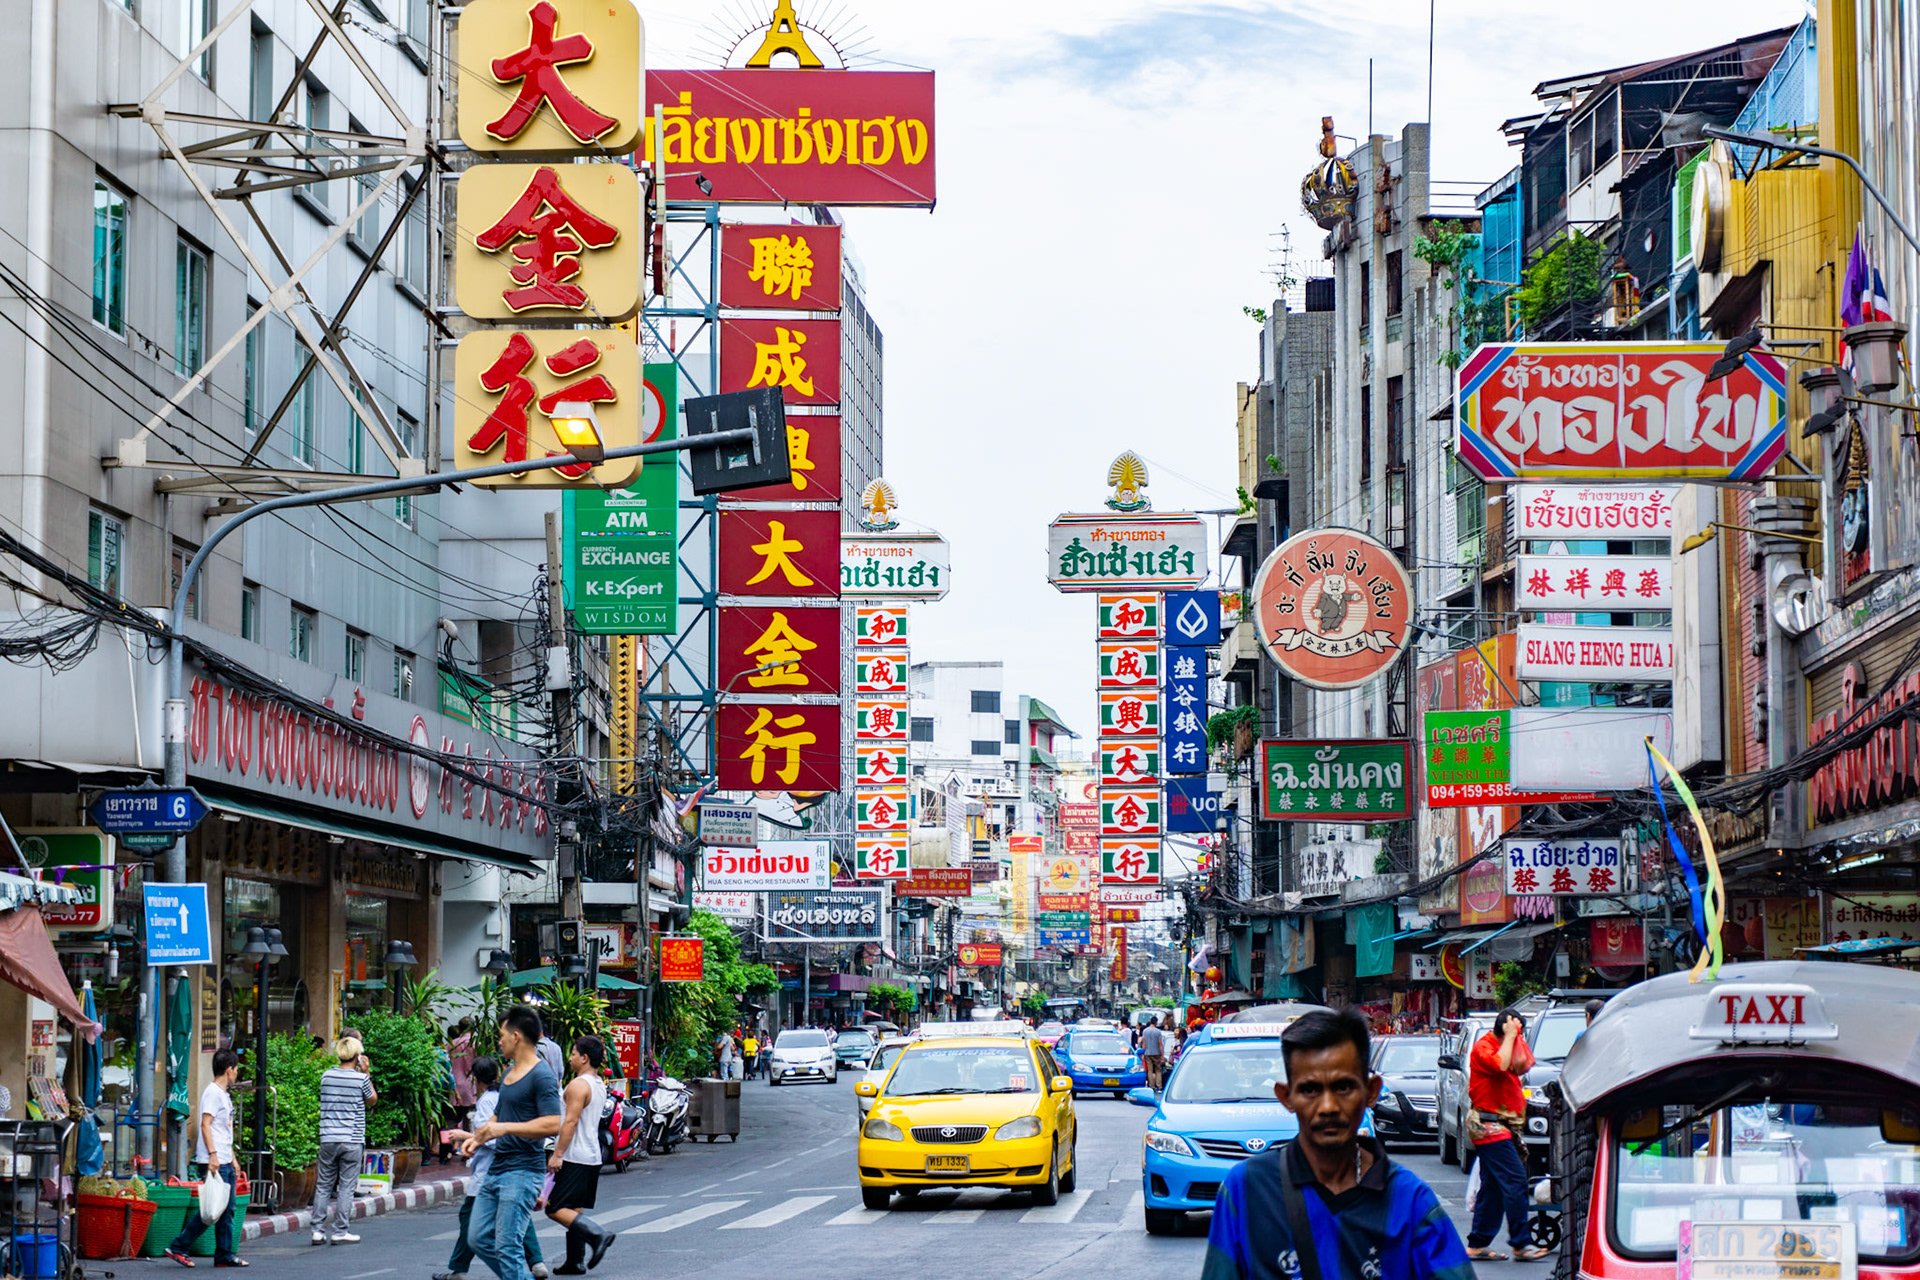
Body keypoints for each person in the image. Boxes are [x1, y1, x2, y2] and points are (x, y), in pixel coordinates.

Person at [1203, 1009, 1472, 1280]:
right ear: (1287, 1097)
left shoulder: (1409, 1200)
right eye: (1310, 1090)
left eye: (1343, 1088)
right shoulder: (1247, 1189)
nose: (1328, 1107)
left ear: (1371, 1092)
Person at [461, 1006, 563, 1280]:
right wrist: (478, 1136)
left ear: (516, 1036)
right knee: (479, 1238)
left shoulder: (542, 1076)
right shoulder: (508, 1073)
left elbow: (553, 1123)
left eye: (502, 1034)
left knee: (507, 1246)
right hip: (496, 1170)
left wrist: (502, 1128)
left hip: (522, 1173)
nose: (499, 1040)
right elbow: (501, 1113)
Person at [435, 1058, 549, 1280]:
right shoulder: (503, 1099)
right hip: (506, 1172)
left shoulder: (491, 1100)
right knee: (513, 1221)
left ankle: (461, 1269)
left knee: (474, 1222)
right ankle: (535, 1262)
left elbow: (497, 1137)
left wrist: (469, 1137)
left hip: (494, 1173)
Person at [1466, 1008, 1543, 1262]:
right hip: (1488, 1125)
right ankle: (1521, 1243)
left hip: (1504, 1126)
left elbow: (1522, 1065)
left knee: (1495, 1186)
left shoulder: (1511, 1042)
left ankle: (1477, 1243)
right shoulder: (1483, 1047)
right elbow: (1500, 1065)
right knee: (1515, 1179)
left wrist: (1515, 1036)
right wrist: (1510, 1037)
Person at [164, 1048, 246, 1268]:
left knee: (225, 1210)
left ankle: (223, 1255)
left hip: (223, 1158)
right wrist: (212, 1155)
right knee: (213, 1209)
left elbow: (223, 1130)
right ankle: (179, 1246)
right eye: (236, 1069)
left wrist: (232, 1158)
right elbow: (205, 1125)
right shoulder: (212, 1093)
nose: (237, 1073)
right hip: (214, 1159)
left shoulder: (223, 1094)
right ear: (229, 1070)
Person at [545, 1035, 615, 1274]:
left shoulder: (578, 1085)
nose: (571, 1057)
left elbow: (571, 1121)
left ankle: (597, 1235)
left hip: (575, 1154)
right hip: (591, 1155)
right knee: (574, 1207)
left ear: (584, 1058)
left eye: (574, 1053)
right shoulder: (597, 1083)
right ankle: (575, 1261)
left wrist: (558, 1153)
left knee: (554, 1208)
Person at [312, 1036, 377, 1245]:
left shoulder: (326, 1076)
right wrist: (366, 1072)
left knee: (323, 1185)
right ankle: (340, 1231)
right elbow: (372, 1100)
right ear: (358, 1056)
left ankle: (317, 1231)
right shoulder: (361, 1079)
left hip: (328, 1137)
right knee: (346, 1187)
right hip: (352, 1139)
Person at [1139, 1015, 1165, 1090]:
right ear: (1156, 1022)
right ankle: (1159, 1085)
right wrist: (1162, 1055)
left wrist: (1143, 1053)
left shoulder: (1145, 1031)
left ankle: (1151, 1085)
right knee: (1158, 1070)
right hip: (1156, 1053)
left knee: (1150, 1070)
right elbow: (1160, 1044)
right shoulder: (1158, 1032)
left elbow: (1144, 1043)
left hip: (1148, 1052)